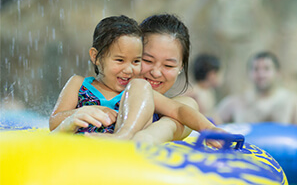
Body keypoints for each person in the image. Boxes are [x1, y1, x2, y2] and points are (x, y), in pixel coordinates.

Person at [50, 15, 224, 143]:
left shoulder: (138, 90)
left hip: (128, 141)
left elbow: (178, 110)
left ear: (181, 67)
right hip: (83, 146)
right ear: (96, 57)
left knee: (151, 89)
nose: (128, 69)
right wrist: (78, 114)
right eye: (147, 60)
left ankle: (127, 137)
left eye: (136, 61)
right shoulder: (79, 84)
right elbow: (54, 121)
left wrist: (210, 128)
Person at [214, 51, 297, 129]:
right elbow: (212, 125)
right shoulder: (235, 102)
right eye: (256, 69)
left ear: (277, 73)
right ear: (249, 73)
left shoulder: (293, 102)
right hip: (246, 152)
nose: (261, 74)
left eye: (266, 69)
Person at [183, 53, 222, 119]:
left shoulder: (209, 91)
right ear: (211, 74)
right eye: (219, 74)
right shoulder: (194, 92)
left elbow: (212, 113)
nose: (220, 77)